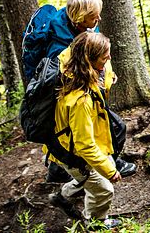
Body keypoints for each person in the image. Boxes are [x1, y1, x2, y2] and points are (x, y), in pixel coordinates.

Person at [44, 0, 136, 183]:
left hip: (92, 93)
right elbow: (72, 72)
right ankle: (109, 164)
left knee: (112, 128)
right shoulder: (60, 45)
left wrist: (107, 76)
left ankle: (59, 171)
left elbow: (98, 55)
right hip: (80, 100)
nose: (99, 18)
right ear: (80, 17)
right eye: (94, 15)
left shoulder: (85, 27)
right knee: (112, 129)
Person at [47, 32, 122, 229]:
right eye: (104, 58)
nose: (109, 60)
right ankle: (95, 223)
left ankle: (63, 196)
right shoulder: (80, 101)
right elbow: (84, 146)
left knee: (94, 178)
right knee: (105, 189)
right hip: (75, 155)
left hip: (76, 147)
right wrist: (110, 171)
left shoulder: (77, 72)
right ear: (89, 60)